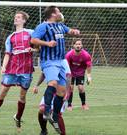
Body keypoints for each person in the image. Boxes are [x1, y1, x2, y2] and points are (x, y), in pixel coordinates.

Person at [31, 5, 80, 134]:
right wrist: (47, 43)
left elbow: (69, 31)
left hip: (60, 62)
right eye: (58, 11)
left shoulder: (60, 26)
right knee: (52, 83)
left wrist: (75, 31)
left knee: (61, 92)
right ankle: (47, 111)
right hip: (49, 61)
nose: (60, 13)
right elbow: (33, 39)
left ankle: (55, 115)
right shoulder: (43, 26)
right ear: (53, 14)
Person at [0, 11, 35, 131]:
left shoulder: (31, 33)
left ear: (23, 20)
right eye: (15, 17)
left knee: (22, 96)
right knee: (3, 91)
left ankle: (18, 117)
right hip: (12, 68)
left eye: (18, 17)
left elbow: (38, 46)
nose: (15, 19)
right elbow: (7, 54)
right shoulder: (10, 37)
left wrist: (33, 49)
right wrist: (3, 66)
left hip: (26, 69)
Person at [33, 59, 71, 135]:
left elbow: (68, 75)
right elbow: (43, 74)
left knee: (57, 114)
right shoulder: (46, 60)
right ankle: (44, 130)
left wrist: (67, 92)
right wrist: (36, 85)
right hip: (51, 90)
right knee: (41, 109)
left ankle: (63, 133)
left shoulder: (62, 60)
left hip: (61, 91)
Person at [65, 38, 92, 111]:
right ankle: (69, 105)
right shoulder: (69, 55)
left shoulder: (86, 55)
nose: (78, 46)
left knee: (81, 88)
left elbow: (89, 66)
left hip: (80, 73)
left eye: (79, 44)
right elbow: (66, 66)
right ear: (73, 45)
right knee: (70, 88)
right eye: (76, 44)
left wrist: (89, 76)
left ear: (82, 45)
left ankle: (84, 104)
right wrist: (67, 75)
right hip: (70, 73)